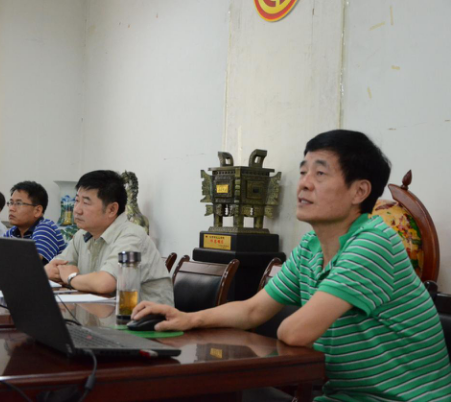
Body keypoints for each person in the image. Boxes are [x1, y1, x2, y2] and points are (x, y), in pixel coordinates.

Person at [132, 130, 451, 400]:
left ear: (359, 191)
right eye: (303, 172)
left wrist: (286, 328)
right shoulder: (311, 248)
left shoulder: (373, 244)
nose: (304, 184)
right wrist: (187, 318)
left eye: (320, 174)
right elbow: (252, 310)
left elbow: (295, 332)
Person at [45, 170, 174, 306]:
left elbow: (105, 283)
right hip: (104, 314)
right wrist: (48, 271)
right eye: (77, 201)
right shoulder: (82, 235)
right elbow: (56, 268)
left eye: (86, 203)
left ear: (112, 209)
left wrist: (71, 278)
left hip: (146, 317)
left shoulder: (131, 236)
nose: (77, 209)